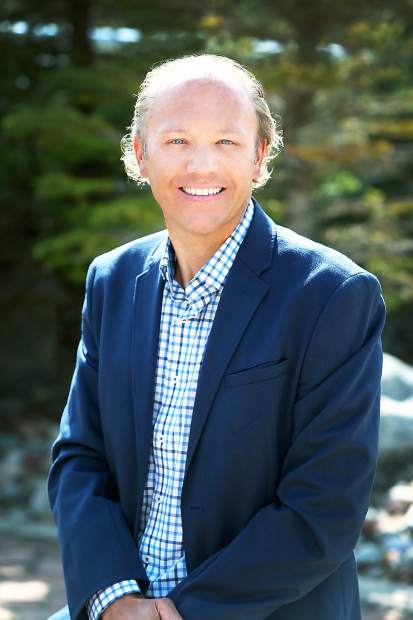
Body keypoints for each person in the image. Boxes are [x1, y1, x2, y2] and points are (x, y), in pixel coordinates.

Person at [47, 54, 386, 620]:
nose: (201, 165)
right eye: (177, 140)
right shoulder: (112, 280)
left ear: (259, 156)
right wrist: (115, 598)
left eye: (226, 141)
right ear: (141, 155)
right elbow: (81, 457)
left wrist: (182, 613)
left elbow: (324, 506)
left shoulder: (332, 295)